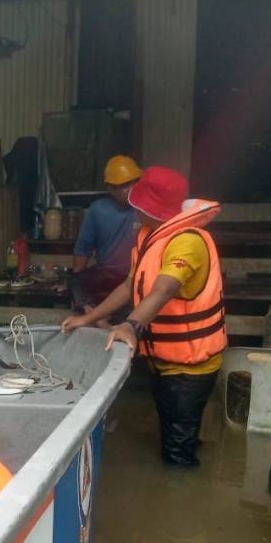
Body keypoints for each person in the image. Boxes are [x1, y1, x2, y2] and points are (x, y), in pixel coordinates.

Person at [62, 166, 227, 467]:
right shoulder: (149, 235)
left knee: (177, 453)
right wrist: (88, 318)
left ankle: (181, 496)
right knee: (176, 427)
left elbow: (164, 289)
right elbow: (129, 286)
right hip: (165, 358)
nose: (133, 210)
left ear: (154, 208)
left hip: (191, 365)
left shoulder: (187, 241)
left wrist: (130, 325)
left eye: (138, 205)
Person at [69, 155, 143, 327]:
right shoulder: (97, 210)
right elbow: (83, 249)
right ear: (111, 189)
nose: (132, 188)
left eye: (135, 182)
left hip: (133, 276)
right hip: (105, 274)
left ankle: (111, 320)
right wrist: (77, 283)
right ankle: (97, 317)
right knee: (74, 280)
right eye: (125, 185)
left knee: (139, 289)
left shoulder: (143, 209)